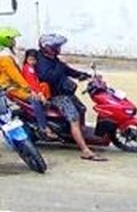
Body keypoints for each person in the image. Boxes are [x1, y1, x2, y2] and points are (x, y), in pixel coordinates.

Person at [34, 33, 105, 161]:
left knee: (82, 109)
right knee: (74, 118)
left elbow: (68, 70)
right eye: (56, 46)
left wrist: (85, 75)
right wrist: (60, 67)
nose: (59, 49)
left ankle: (77, 134)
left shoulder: (52, 58)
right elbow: (48, 77)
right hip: (56, 96)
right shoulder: (42, 62)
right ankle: (85, 150)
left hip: (66, 93)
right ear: (48, 47)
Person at [0, 29, 53, 140]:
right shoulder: (5, 57)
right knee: (35, 100)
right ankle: (43, 128)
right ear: (6, 40)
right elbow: (16, 76)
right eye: (12, 39)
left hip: (16, 85)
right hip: (11, 88)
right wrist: (29, 89)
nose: (15, 41)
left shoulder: (10, 53)